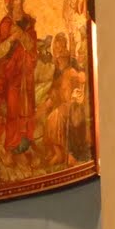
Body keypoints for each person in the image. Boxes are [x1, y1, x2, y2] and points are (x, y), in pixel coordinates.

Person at [0, 0, 38, 176]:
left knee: (26, 110)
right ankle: (10, 147)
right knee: (12, 109)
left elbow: (32, 46)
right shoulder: (6, 23)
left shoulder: (28, 22)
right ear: (10, 1)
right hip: (10, 76)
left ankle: (24, 146)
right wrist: (11, 38)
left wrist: (22, 36)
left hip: (25, 76)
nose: (18, 2)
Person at [39, 32, 87, 166]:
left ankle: (67, 153)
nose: (58, 50)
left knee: (56, 117)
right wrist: (48, 102)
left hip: (73, 103)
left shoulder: (71, 62)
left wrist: (77, 79)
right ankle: (57, 152)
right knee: (49, 117)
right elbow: (55, 88)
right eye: (56, 47)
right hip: (63, 102)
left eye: (60, 47)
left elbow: (81, 76)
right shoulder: (57, 67)